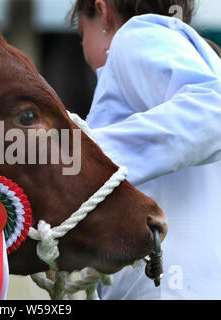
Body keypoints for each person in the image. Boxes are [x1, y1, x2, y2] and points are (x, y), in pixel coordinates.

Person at [70, 0, 221, 299]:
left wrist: (89, 159)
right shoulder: (205, 60)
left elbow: (215, 113)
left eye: (80, 33)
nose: (83, 44)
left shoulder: (134, 35)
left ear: (103, 12)